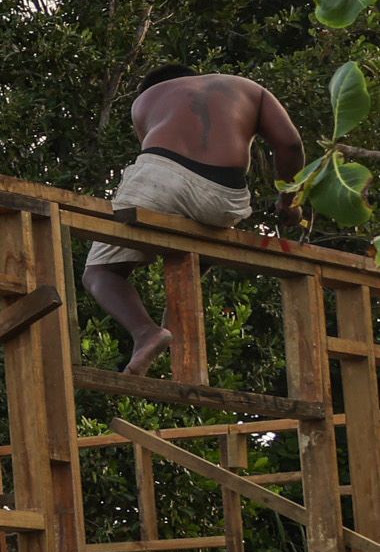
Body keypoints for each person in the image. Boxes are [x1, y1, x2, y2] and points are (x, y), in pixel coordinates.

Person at [83, 66, 304, 375]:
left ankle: (146, 332)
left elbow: (164, 163)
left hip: (161, 177)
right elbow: (290, 144)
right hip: (225, 199)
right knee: (197, 242)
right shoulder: (249, 88)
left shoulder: (145, 100)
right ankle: (175, 311)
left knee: (99, 272)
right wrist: (289, 200)